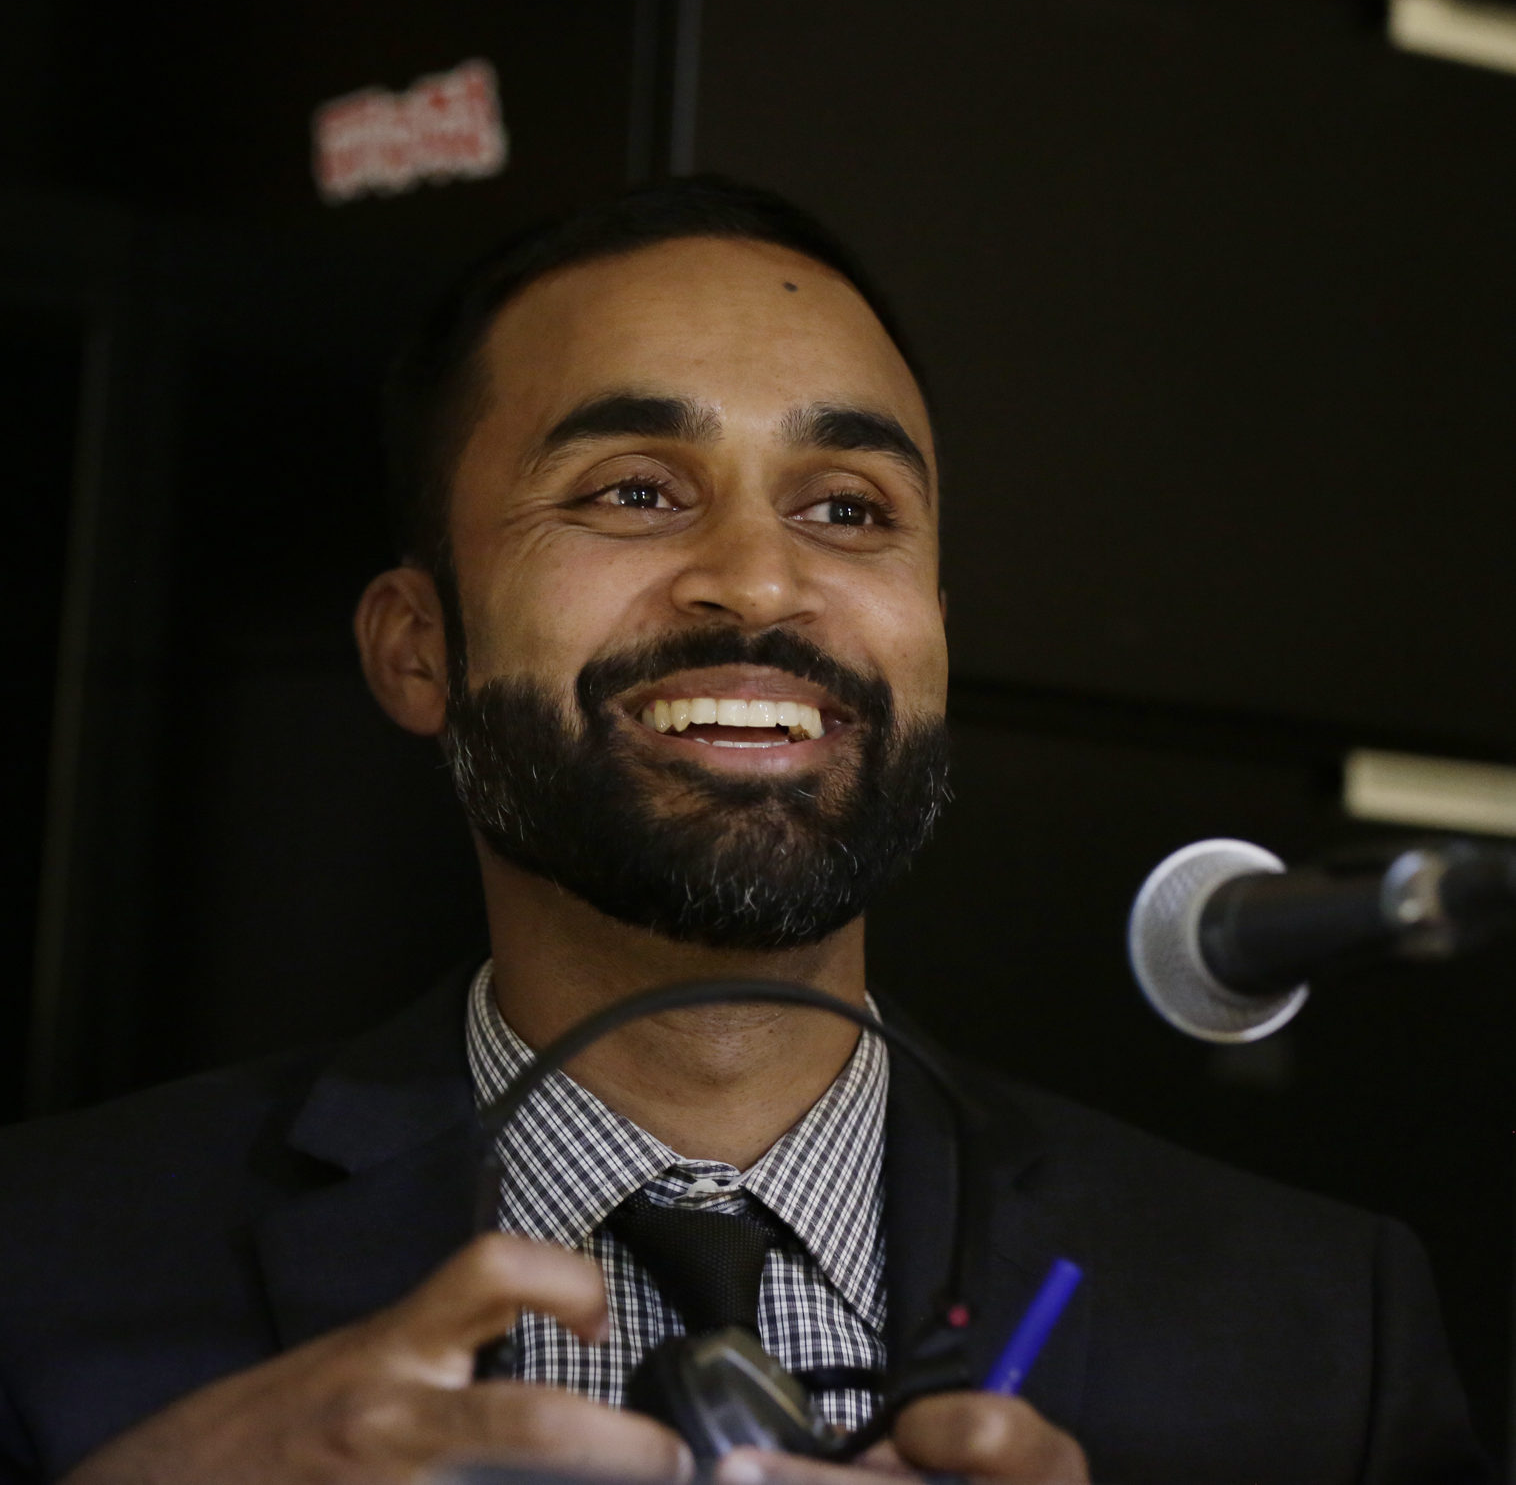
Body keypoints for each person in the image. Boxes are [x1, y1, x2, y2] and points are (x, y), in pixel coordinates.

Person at [0, 177, 1489, 1485]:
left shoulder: (1313, 1330)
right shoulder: (46, 1264)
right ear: (415, 648)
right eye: (636, 491)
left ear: (938, 646)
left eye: (848, 512)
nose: (762, 588)